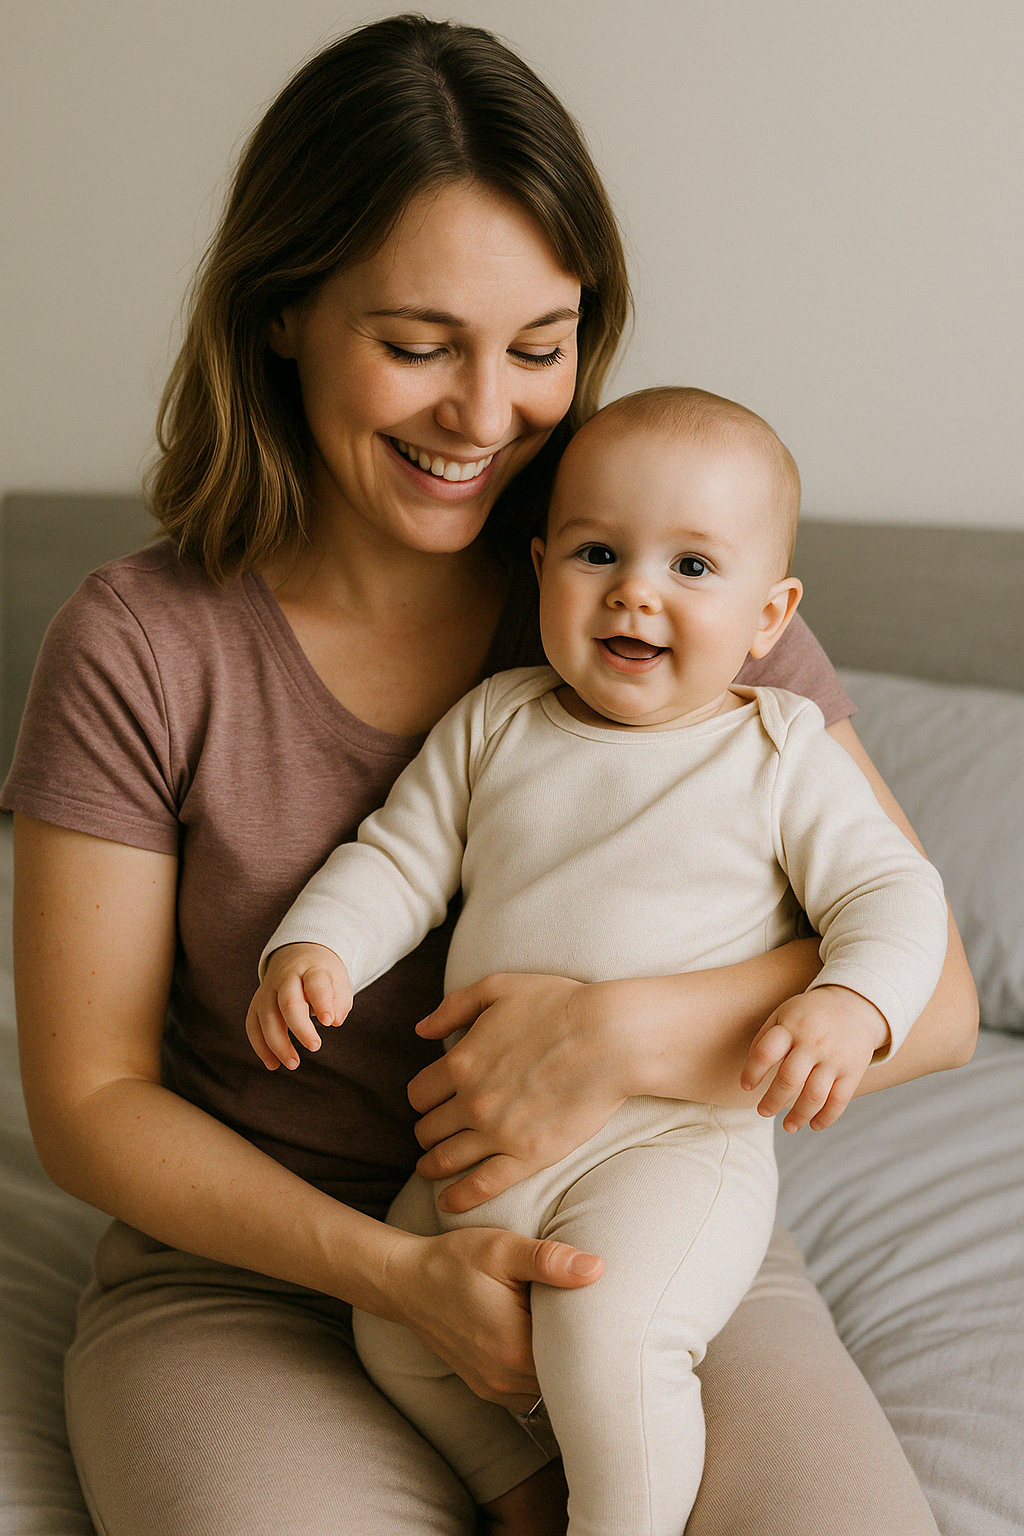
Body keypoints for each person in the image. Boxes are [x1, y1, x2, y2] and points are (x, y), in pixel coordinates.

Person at [4, 16, 975, 1536]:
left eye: (541, 347)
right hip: (264, 1272)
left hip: (639, 1214)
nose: (486, 416)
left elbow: (933, 997)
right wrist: (399, 1275)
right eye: (416, 346)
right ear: (281, 311)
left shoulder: (676, 597)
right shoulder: (144, 643)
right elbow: (87, 1101)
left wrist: (615, 1038)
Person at [247, 386, 949, 1535]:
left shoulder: (778, 752)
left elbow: (892, 893)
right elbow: (397, 859)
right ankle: (520, 1490)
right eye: (597, 552)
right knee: (393, 1332)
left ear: (769, 616)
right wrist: (315, 948)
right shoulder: (494, 723)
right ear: (539, 570)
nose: (634, 589)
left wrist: (851, 1005)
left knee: (608, 1338)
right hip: (484, 1150)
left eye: (690, 567)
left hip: (671, 1148)